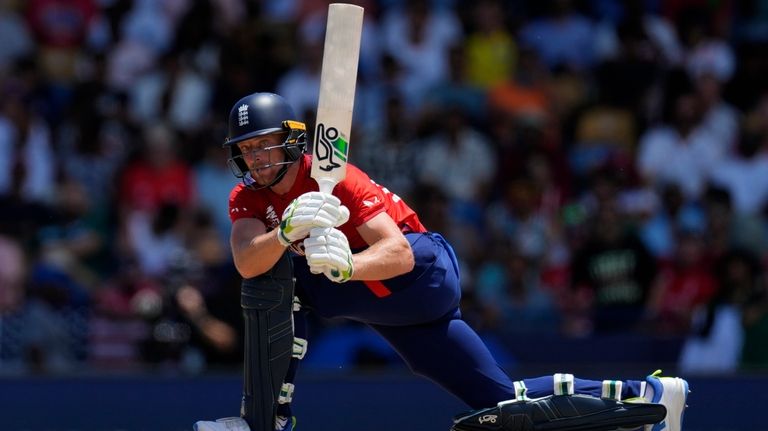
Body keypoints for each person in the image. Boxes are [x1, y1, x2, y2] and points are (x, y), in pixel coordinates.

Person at [193, 93, 690, 431]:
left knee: (297, 277)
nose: (256, 159)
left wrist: (347, 266)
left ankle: (266, 421)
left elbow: (400, 253)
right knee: (502, 404)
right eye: (246, 150)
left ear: (293, 139)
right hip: (384, 310)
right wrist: (284, 231)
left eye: (264, 145)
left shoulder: (338, 177)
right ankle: (647, 397)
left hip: (422, 275)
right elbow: (246, 260)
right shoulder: (248, 198)